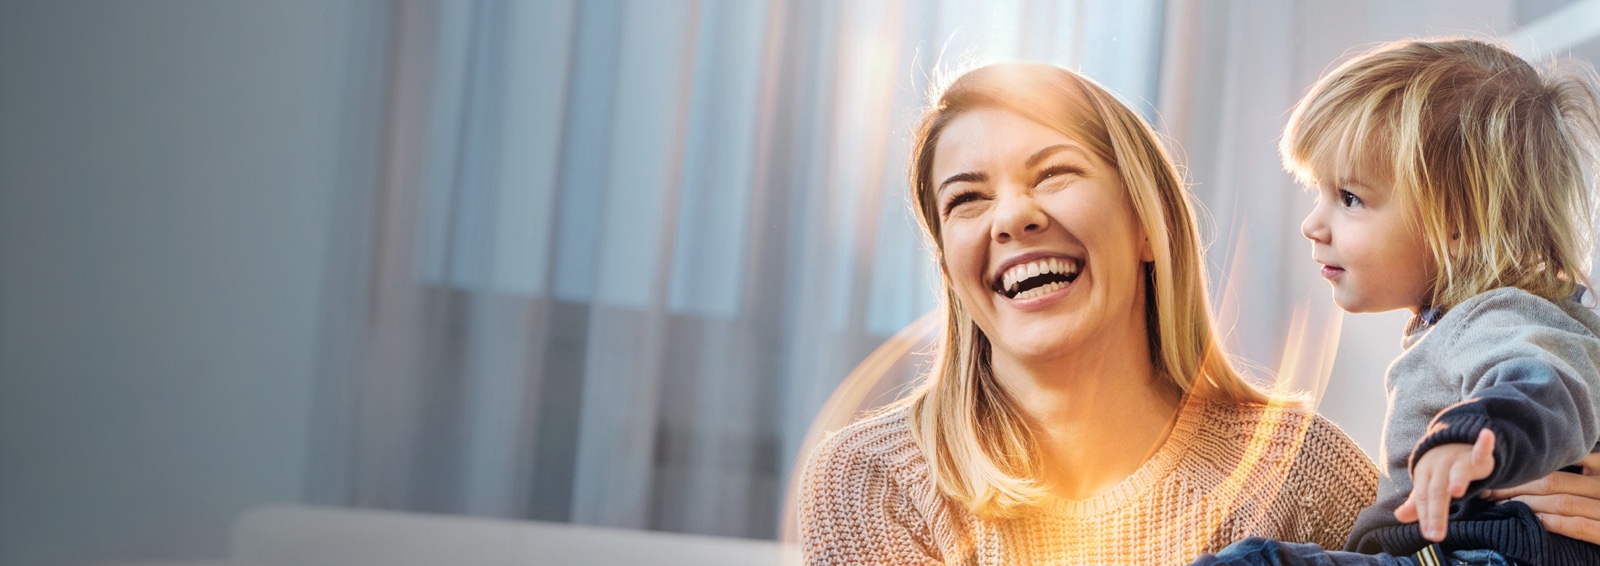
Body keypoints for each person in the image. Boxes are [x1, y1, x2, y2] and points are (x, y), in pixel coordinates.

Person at [797, 62, 1381, 565]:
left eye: (1053, 173)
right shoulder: (874, 480)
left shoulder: (1303, 472)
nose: (1011, 218)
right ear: (950, 268)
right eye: (967, 200)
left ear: (1147, 224)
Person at [1193, 38, 1600, 566]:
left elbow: (1547, 385)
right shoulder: (1457, 321)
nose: (1312, 224)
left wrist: (1474, 437)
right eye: (1319, 193)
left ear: (1459, 224)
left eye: (1350, 198)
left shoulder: (1504, 315)